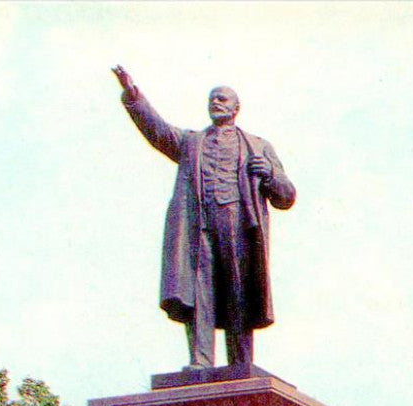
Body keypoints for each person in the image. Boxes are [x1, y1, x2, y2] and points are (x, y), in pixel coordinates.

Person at [113, 66, 296, 369]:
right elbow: (157, 130)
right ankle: (201, 360)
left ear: (237, 108)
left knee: (238, 290)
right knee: (200, 290)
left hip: (239, 224)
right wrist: (134, 97)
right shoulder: (190, 143)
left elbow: (286, 196)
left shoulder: (258, 146)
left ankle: (240, 362)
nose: (216, 103)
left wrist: (270, 176)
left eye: (223, 99)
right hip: (200, 225)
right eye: (212, 98)